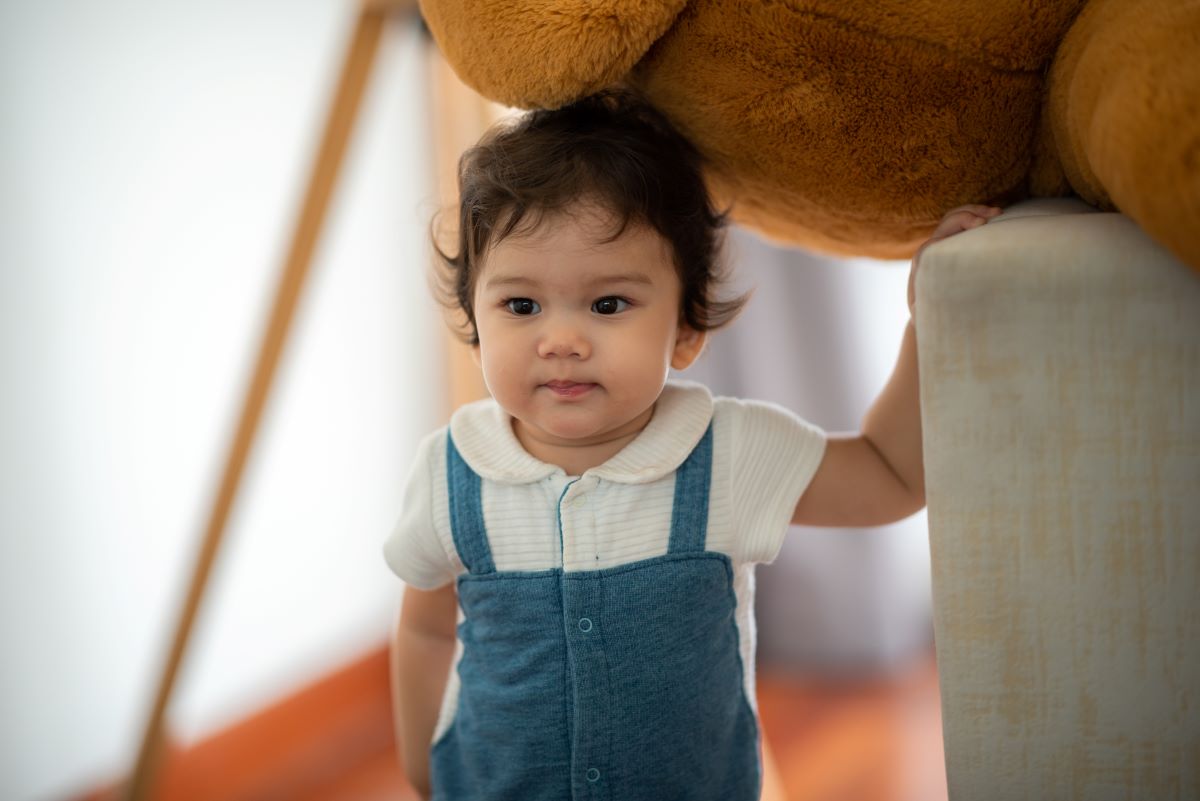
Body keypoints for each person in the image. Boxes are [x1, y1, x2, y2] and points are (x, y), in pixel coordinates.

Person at [384, 90, 1001, 801]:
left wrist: (930, 315)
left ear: (686, 329)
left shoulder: (723, 453)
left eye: (608, 303)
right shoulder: (451, 472)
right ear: (475, 318)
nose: (560, 339)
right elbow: (428, 631)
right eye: (521, 305)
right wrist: (424, 767)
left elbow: (892, 474)